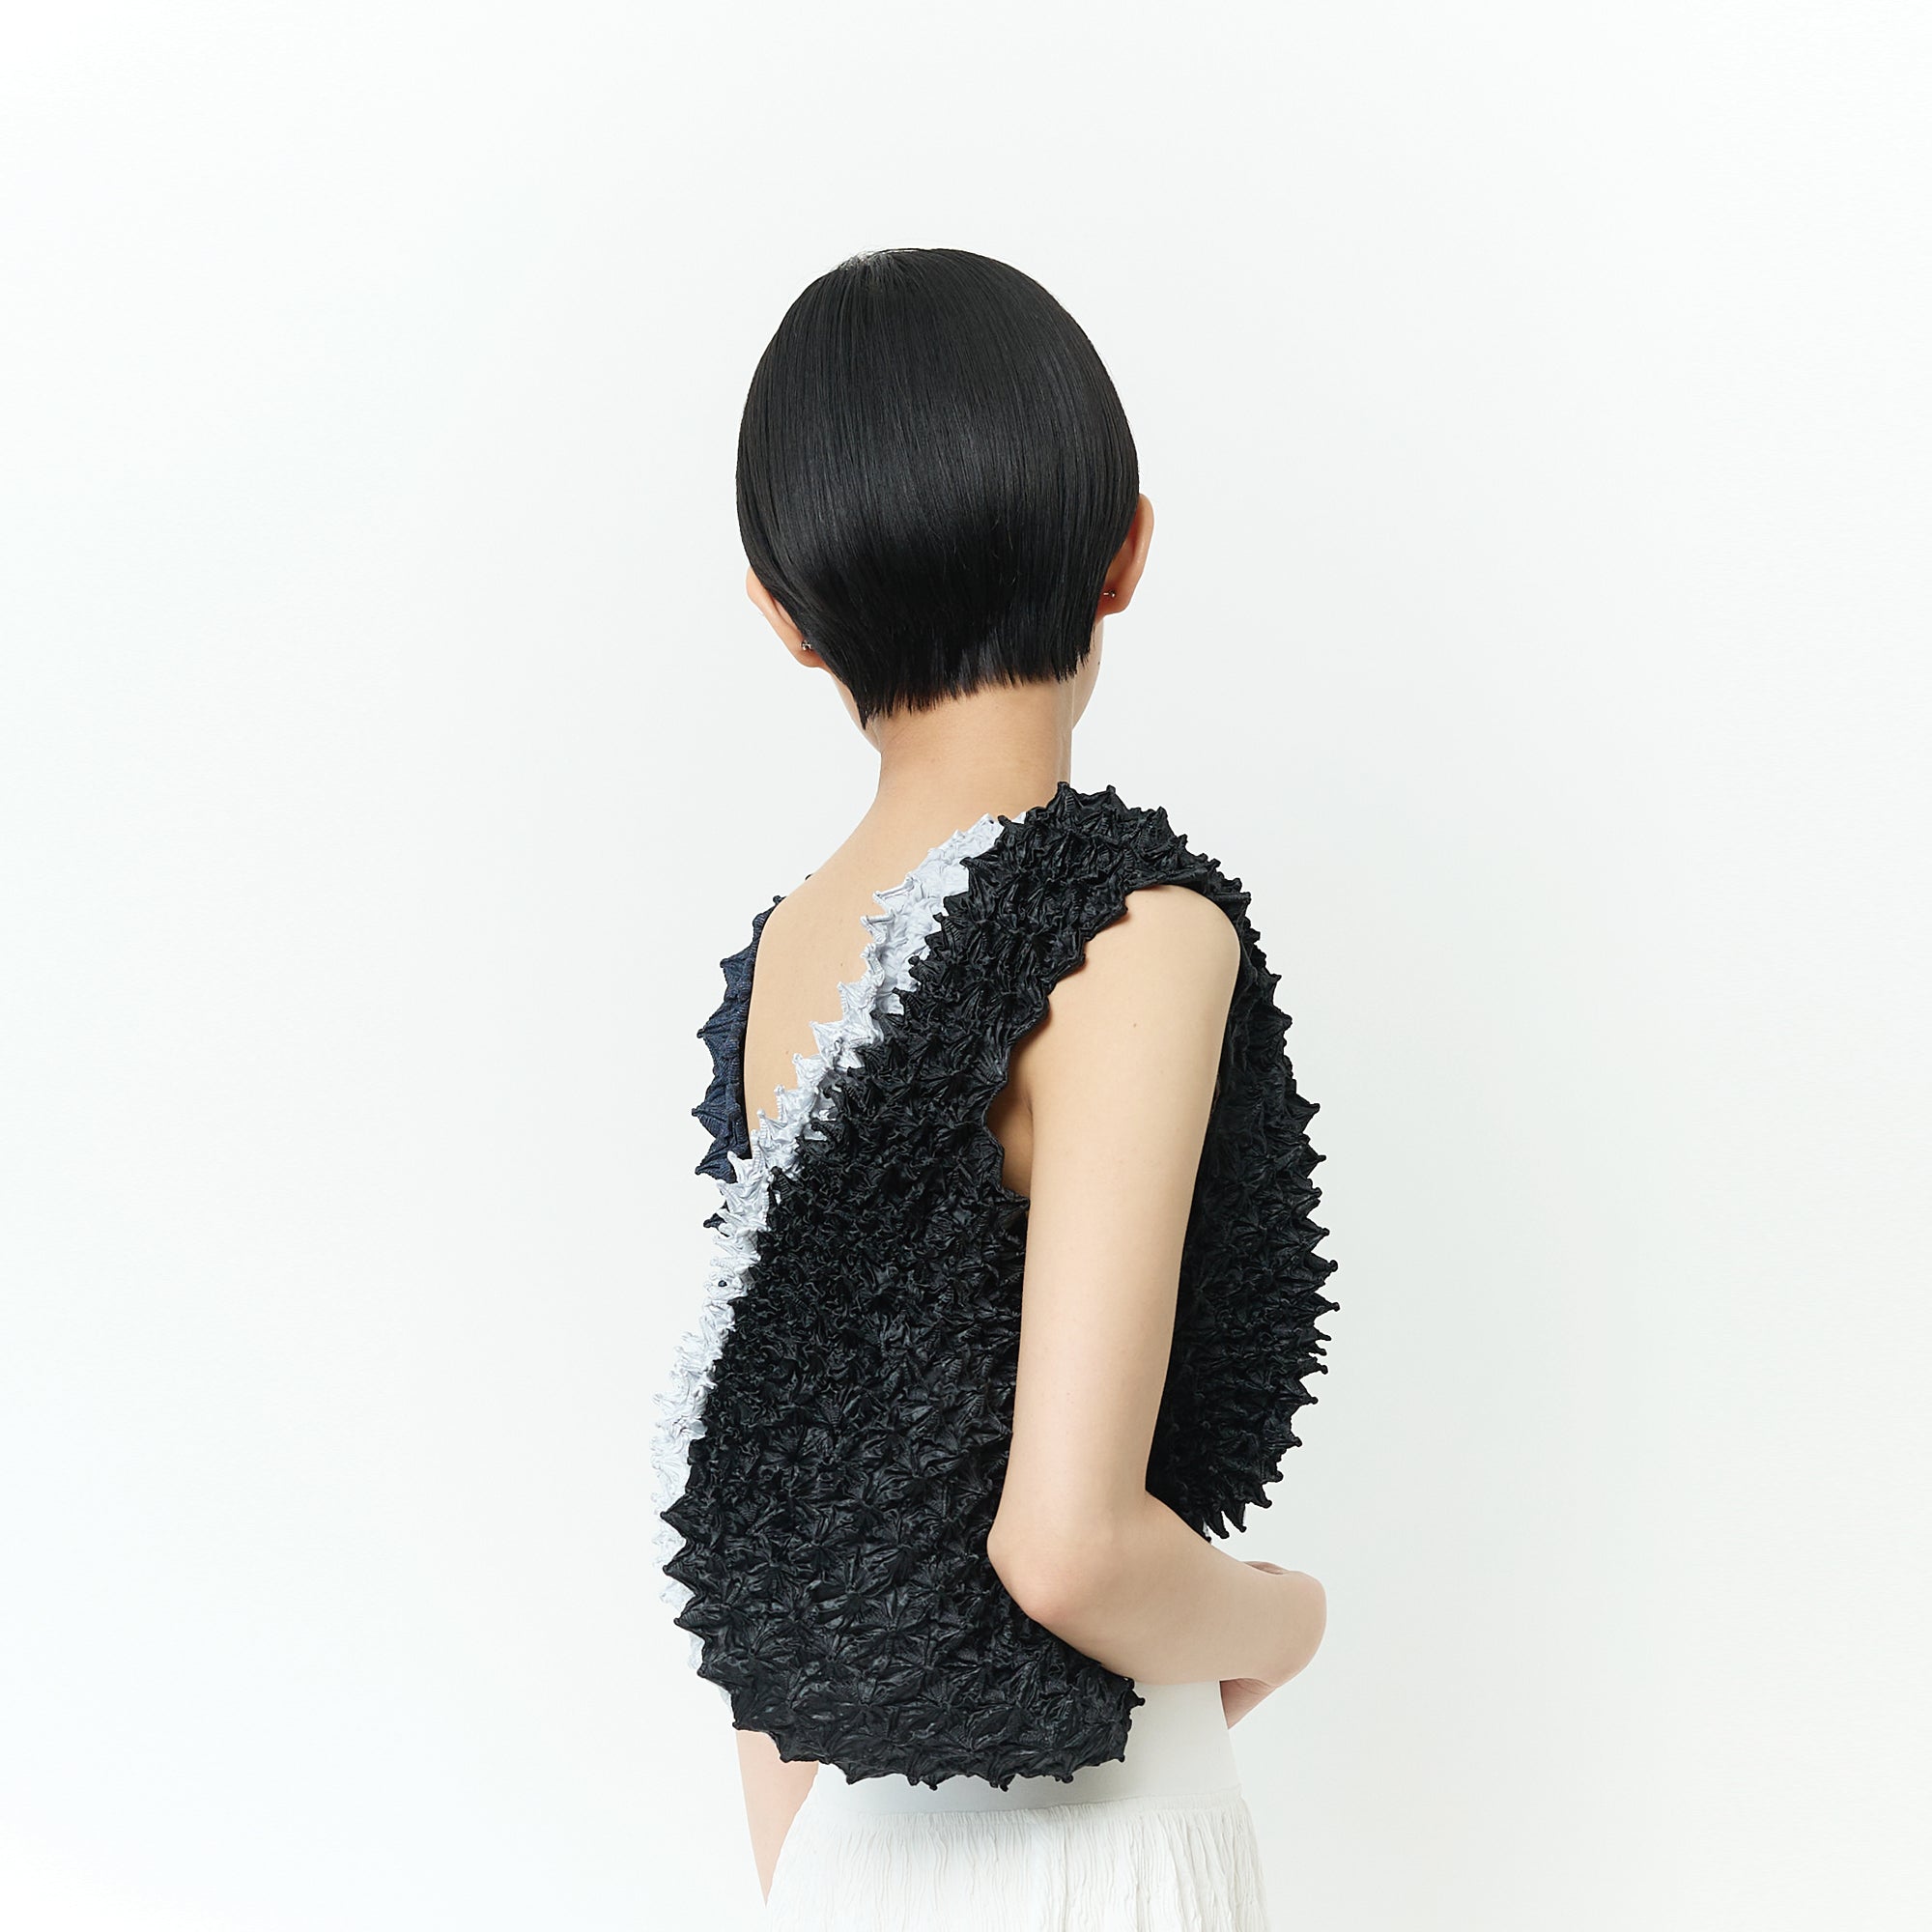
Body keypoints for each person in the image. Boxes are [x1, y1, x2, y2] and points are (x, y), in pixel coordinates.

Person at [651, 246, 1340, 1930]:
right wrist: (1287, 1617)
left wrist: (804, 1884)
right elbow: (1069, 1548)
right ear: (1127, 552)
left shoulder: (788, 958)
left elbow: (769, 1494)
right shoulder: (1133, 930)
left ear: (781, 614)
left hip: (842, 1856)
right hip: (1093, 1852)